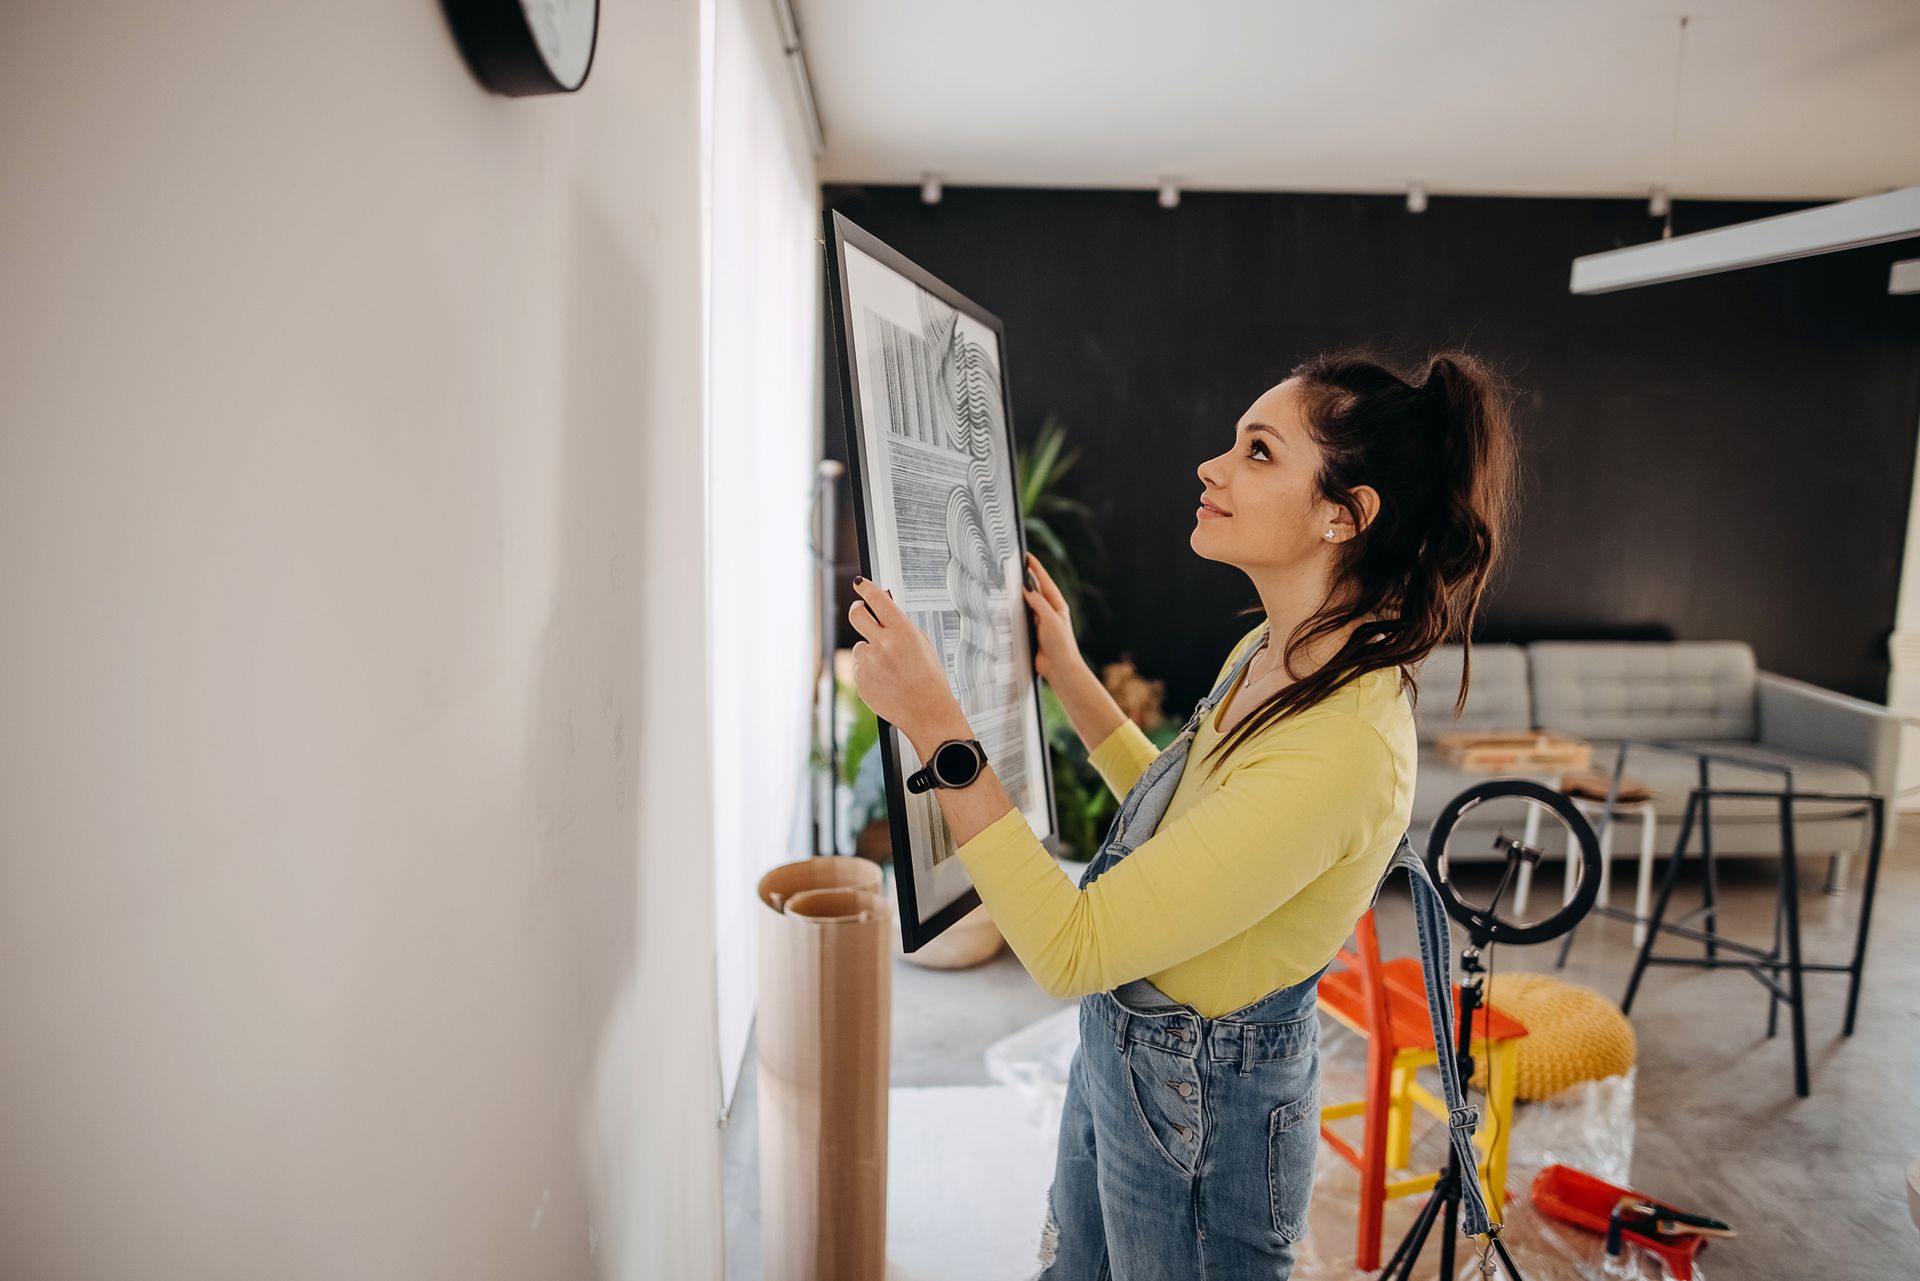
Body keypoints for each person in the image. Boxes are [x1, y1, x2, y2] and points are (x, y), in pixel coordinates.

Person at [847, 347, 1519, 1278]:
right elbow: (1183, 823)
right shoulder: (1273, 650)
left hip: (1206, 1104)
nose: (1212, 466)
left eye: (1258, 451)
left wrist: (937, 728)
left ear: (1344, 513)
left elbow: (1071, 945)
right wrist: (1070, 674)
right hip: (1132, 1052)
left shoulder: (1344, 745)